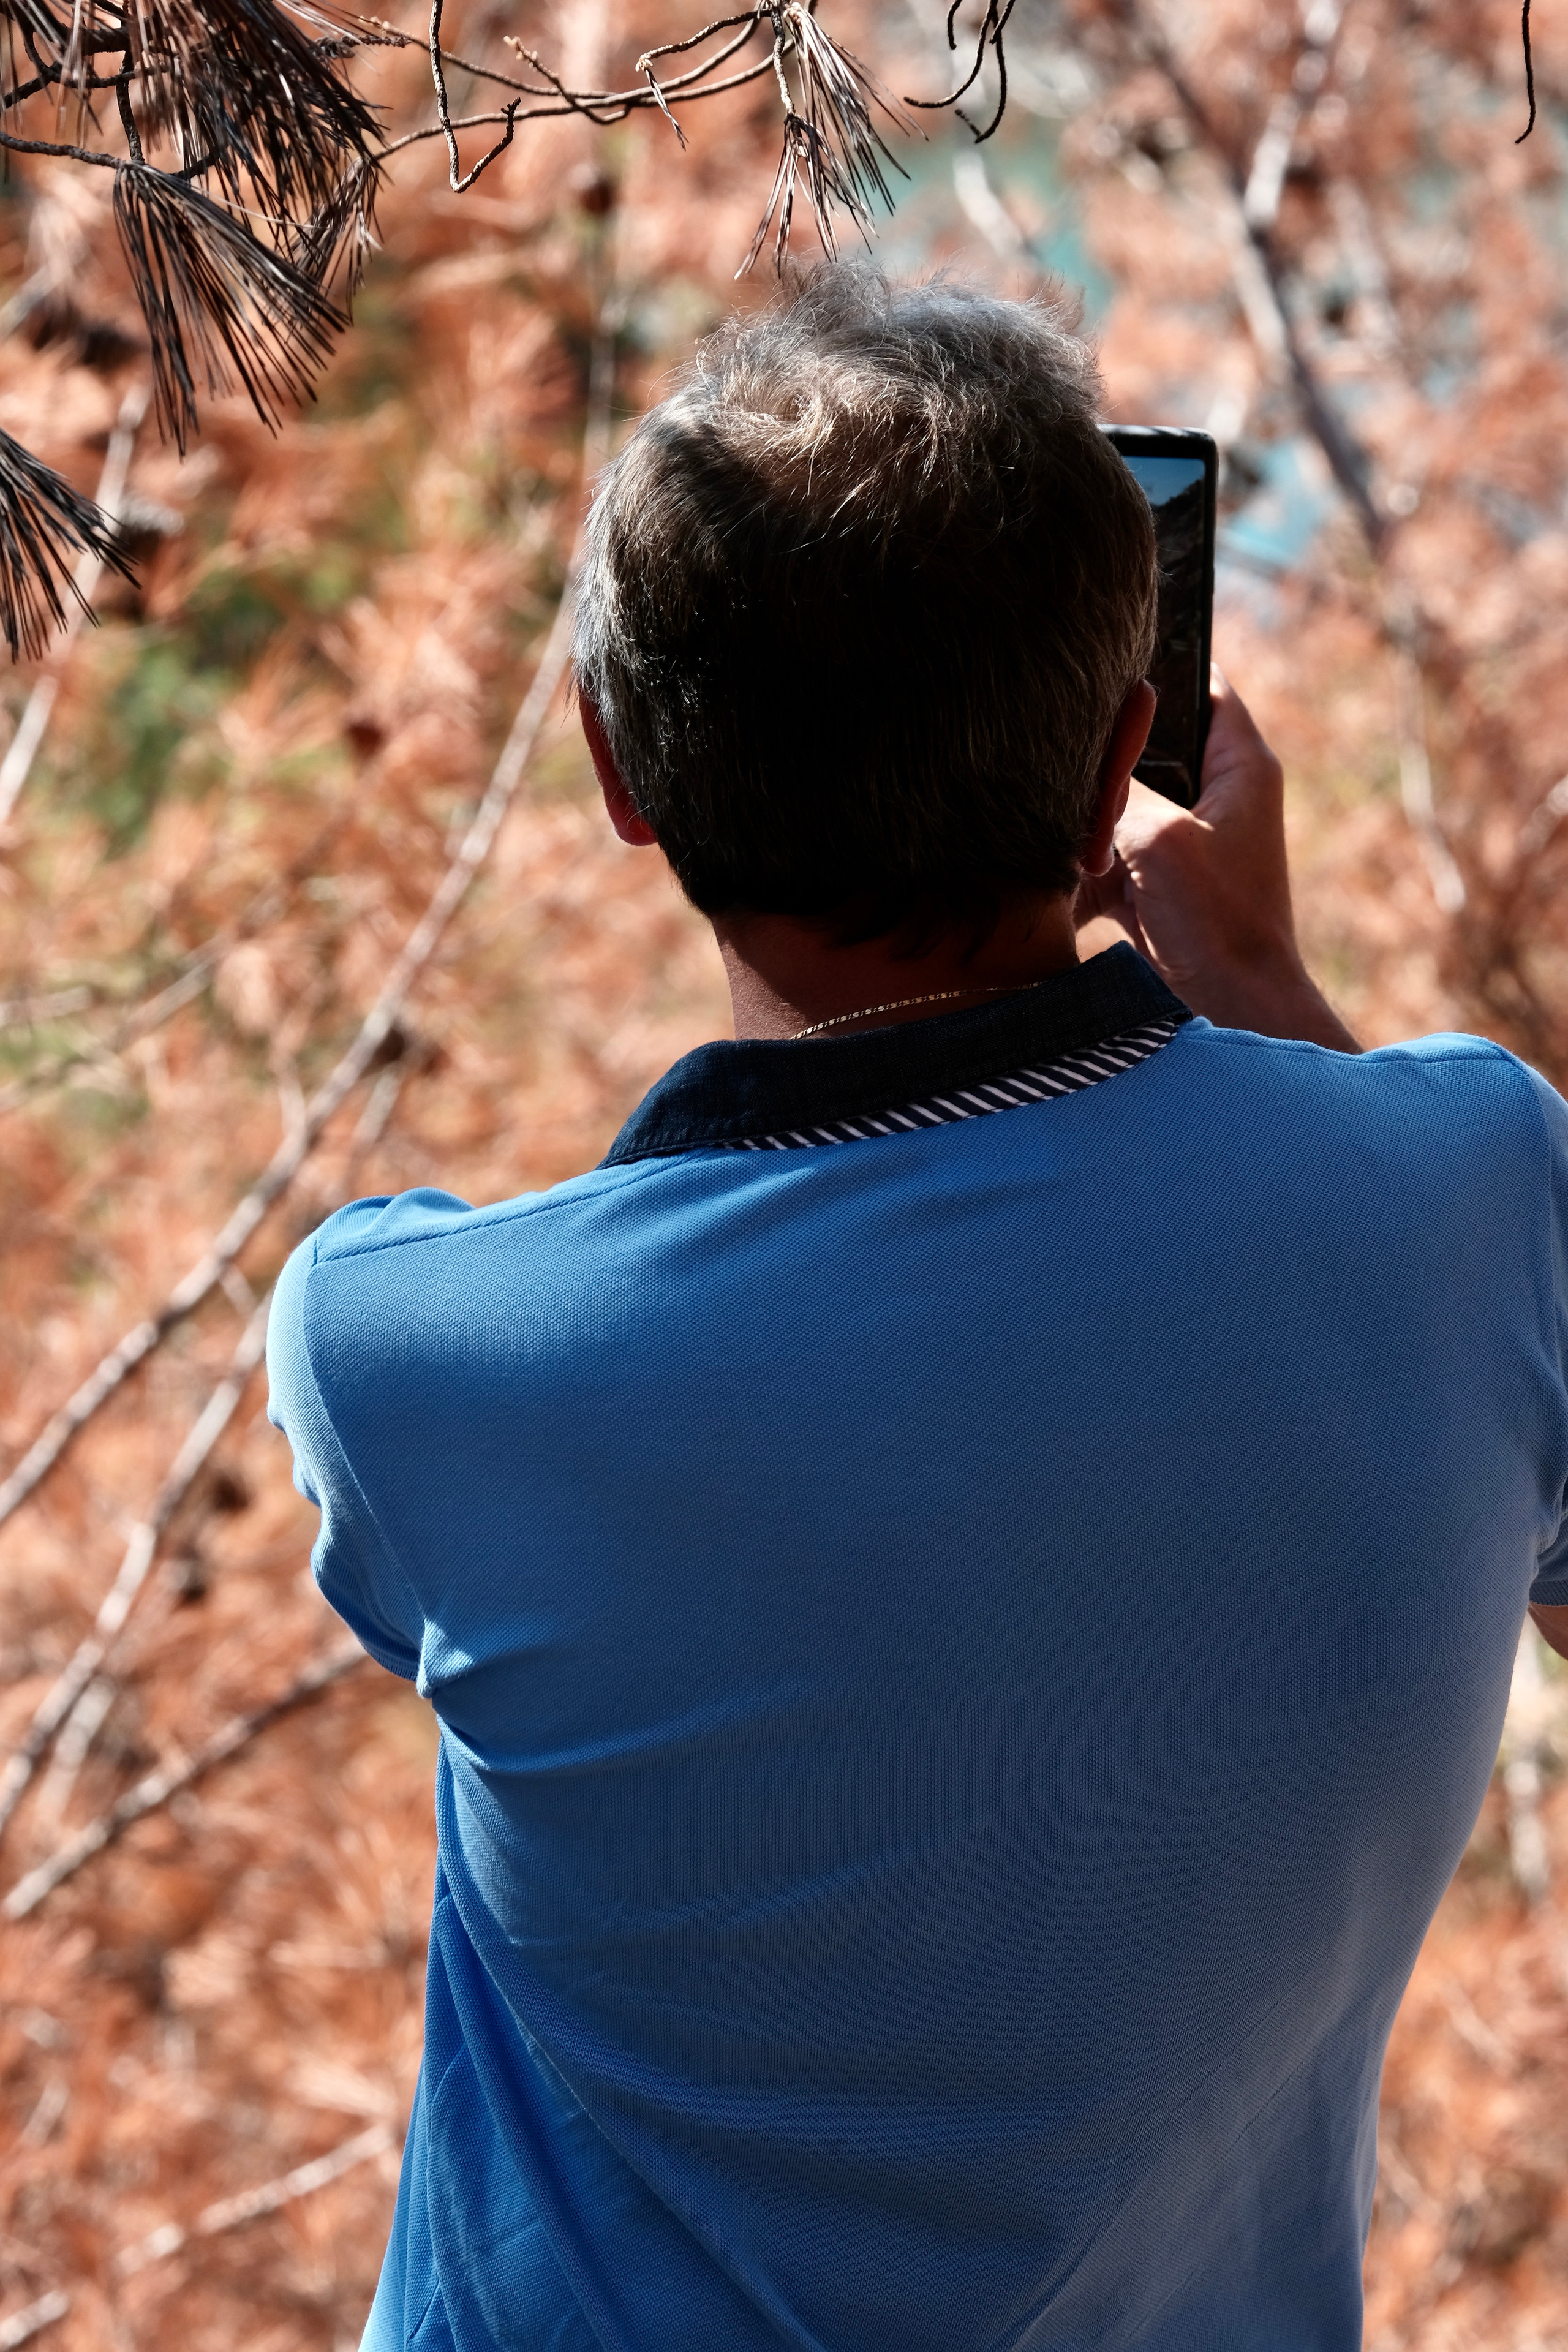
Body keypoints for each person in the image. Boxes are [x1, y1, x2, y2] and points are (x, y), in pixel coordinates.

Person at [267, 266, 1568, 2352]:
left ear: (622, 766)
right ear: (1125, 751)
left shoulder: (417, 1356)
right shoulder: (1483, 1193)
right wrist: (1262, 1000)